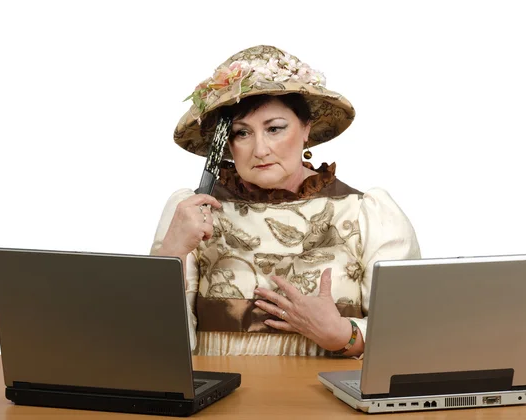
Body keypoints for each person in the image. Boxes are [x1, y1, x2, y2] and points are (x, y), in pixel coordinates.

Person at [150, 45, 420, 357]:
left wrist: (342, 335)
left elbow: (411, 335)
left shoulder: (366, 214)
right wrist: (172, 253)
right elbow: (156, 347)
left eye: (275, 129)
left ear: (307, 129)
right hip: (221, 400)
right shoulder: (193, 213)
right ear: (226, 144)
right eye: (242, 133)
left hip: (327, 402)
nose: (260, 149)